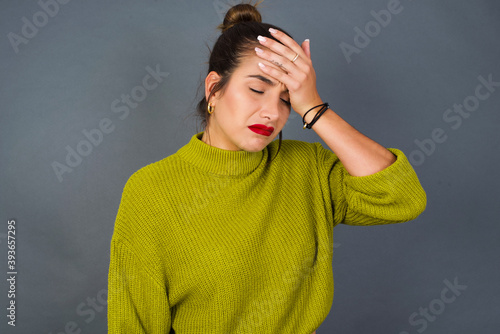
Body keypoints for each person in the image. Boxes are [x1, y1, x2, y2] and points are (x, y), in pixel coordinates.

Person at [107, 3, 427, 333]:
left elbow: (402, 199)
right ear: (214, 89)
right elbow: (133, 325)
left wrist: (314, 108)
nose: (272, 112)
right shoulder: (150, 192)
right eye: (257, 89)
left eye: (287, 98)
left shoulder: (308, 169)